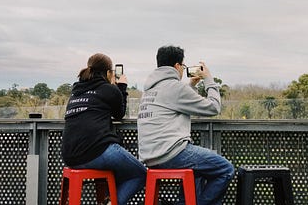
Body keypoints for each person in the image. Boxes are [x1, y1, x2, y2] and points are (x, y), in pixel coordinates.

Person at [137, 45, 234, 205]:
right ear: (177, 66)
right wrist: (209, 79)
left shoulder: (149, 89)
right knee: (225, 169)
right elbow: (213, 107)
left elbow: (172, 101)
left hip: (150, 156)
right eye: (182, 66)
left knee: (199, 169)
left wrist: (191, 86)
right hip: (170, 154)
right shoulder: (175, 87)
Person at [62, 53, 146, 205]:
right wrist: (121, 87)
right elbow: (119, 113)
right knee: (140, 174)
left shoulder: (75, 91)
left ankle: (108, 198)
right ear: (108, 73)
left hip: (70, 157)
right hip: (97, 151)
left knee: (115, 171)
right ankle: (111, 202)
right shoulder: (108, 89)